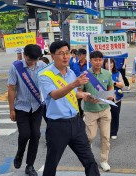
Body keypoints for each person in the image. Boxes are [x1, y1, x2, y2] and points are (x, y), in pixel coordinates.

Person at [38, 41, 100, 176]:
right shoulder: (45, 75)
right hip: (58, 126)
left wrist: (83, 95)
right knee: (51, 163)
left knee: (90, 160)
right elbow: (54, 95)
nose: (65, 56)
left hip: (76, 123)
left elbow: (71, 93)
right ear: (52, 55)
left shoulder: (71, 73)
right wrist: (74, 84)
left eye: (67, 53)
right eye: (61, 53)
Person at [7, 44, 47, 176]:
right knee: (25, 134)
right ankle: (19, 154)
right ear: (25, 56)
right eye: (30, 60)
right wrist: (11, 109)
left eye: (35, 60)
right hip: (21, 107)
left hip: (37, 107)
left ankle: (30, 165)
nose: (33, 63)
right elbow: (11, 88)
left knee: (35, 135)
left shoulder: (42, 66)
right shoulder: (16, 67)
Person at [78, 51, 114, 172]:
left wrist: (110, 95)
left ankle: (104, 160)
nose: (98, 62)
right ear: (91, 61)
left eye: (100, 60)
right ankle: (88, 157)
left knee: (105, 137)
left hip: (104, 110)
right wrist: (86, 96)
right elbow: (78, 92)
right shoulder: (85, 75)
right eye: (95, 60)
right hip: (90, 111)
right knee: (90, 137)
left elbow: (111, 87)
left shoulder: (107, 74)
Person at [103, 58, 124, 140]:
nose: (109, 64)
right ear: (104, 64)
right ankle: (106, 132)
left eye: (111, 63)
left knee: (115, 115)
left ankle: (114, 132)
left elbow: (122, 85)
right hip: (105, 98)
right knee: (105, 116)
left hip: (116, 98)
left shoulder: (117, 73)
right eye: (107, 63)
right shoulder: (102, 73)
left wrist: (114, 82)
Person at [71, 48, 90, 118]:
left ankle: (88, 114)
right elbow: (71, 74)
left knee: (89, 101)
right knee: (77, 102)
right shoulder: (74, 65)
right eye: (77, 55)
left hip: (87, 85)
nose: (78, 56)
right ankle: (80, 114)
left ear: (84, 55)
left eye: (79, 54)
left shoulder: (89, 65)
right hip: (78, 86)